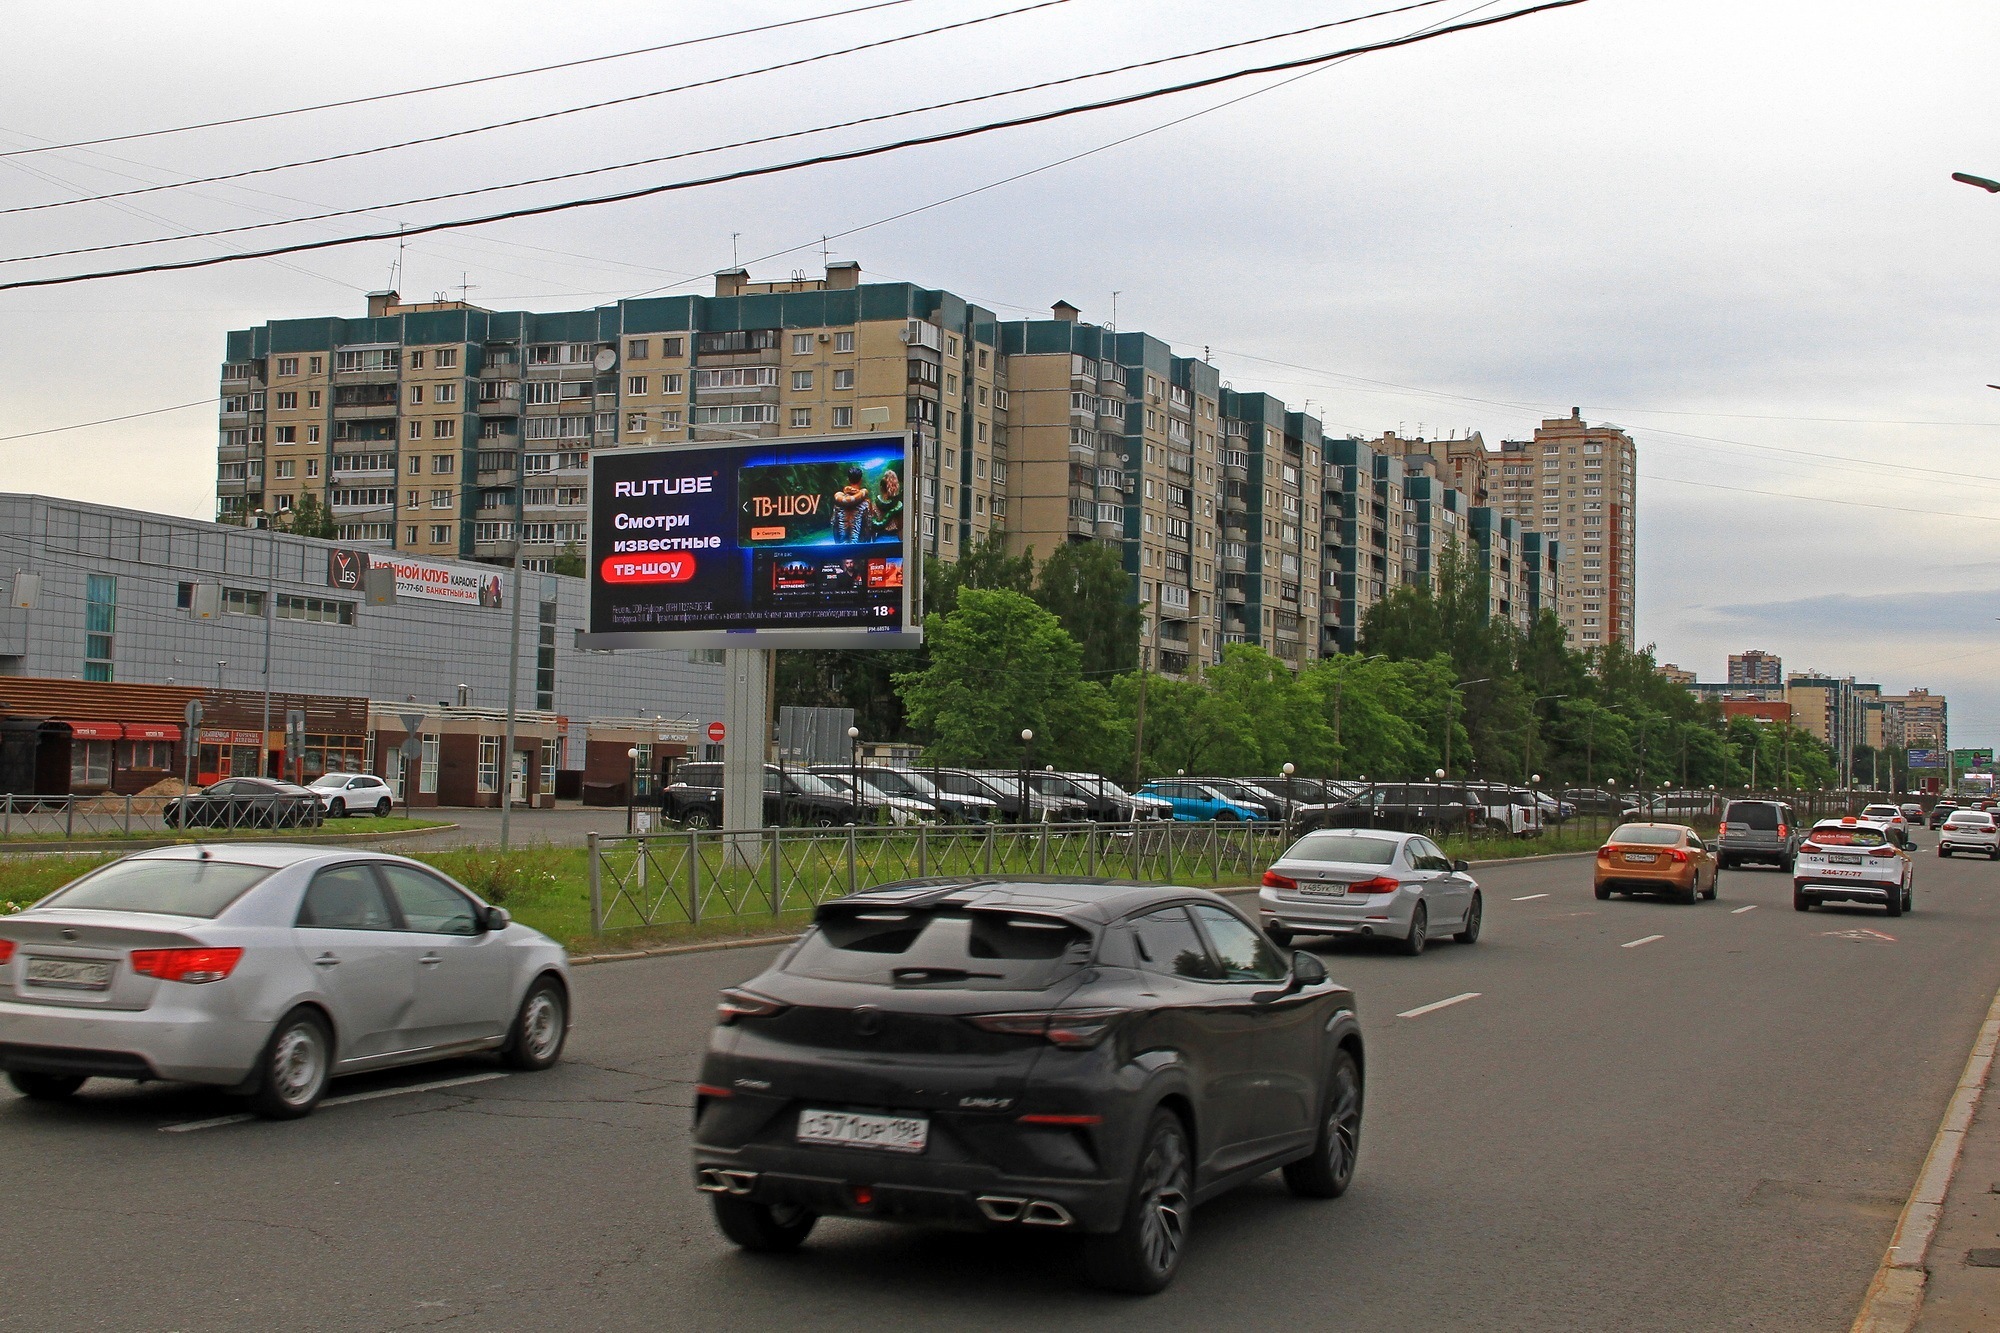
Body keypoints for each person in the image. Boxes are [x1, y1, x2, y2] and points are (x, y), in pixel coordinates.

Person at [831, 467, 869, 542]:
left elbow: (834, 527)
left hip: (842, 548)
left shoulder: (838, 504)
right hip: (860, 547)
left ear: (848, 480)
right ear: (861, 480)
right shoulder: (866, 503)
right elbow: (868, 527)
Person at [870, 467, 903, 538]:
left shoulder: (875, 503)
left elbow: (872, 523)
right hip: (893, 537)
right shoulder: (898, 504)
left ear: (881, 487)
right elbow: (900, 525)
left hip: (880, 537)